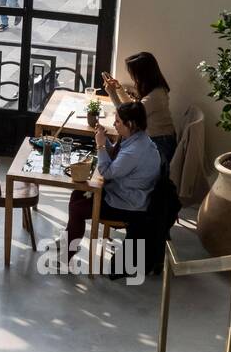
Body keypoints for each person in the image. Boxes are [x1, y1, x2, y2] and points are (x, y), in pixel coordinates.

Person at [61, 101, 161, 267]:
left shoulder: (134, 151)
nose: (114, 124)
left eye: (118, 121)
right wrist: (105, 139)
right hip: (124, 193)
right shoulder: (138, 138)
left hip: (127, 205)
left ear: (130, 124)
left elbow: (107, 171)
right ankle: (71, 238)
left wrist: (100, 144)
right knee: (78, 193)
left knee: (77, 209)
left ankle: (66, 253)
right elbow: (116, 155)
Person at [103, 52, 177, 168]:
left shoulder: (155, 96)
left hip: (160, 144)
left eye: (134, 75)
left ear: (143, 75)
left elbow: (126, 115)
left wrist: (112, 93)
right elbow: (133, 108)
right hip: (158, 140)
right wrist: (119, 89)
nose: (133, 78)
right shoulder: (156, 90)